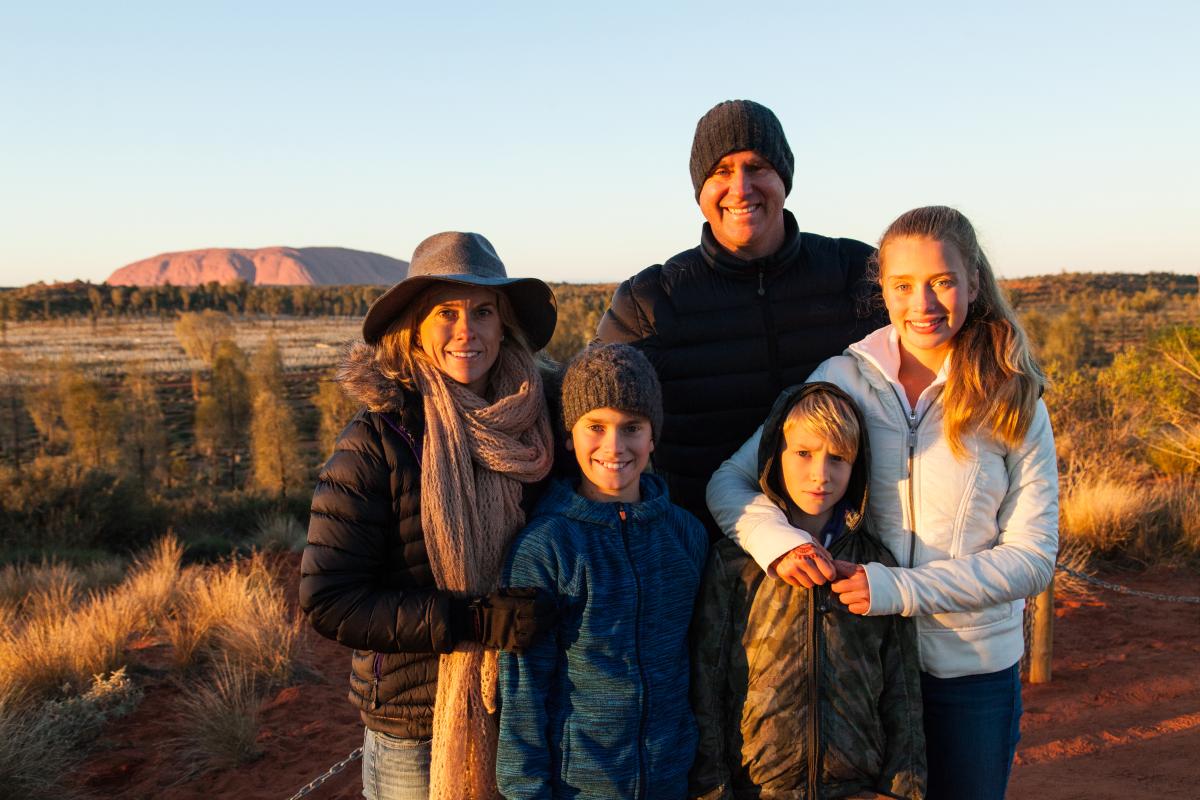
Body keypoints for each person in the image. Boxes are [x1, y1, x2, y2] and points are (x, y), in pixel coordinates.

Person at [707, 206, 1058, 800]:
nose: (923, 303)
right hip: (858, 670)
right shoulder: (843, 379)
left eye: (942, 282)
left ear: (973, 282)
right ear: (883, 291)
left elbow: (1033, 557)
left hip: (969, 670)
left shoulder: (1012, 396)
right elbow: (730, 482)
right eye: (903, 286)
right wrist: (783, 545)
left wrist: (900, 589)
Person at [300, 231, 563, 800]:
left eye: (483, 311)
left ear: (504, 324)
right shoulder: (377, 442)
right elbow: (329, 599)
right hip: (416, 722)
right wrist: (469, 620)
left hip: (531, 709)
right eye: (446, 312)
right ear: (415, 328)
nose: (467, 330)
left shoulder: (542, 429)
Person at [595, 98, 885, 539]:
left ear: (784, 178)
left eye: (757, 167)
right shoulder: (650, 300)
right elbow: (586, 416)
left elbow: (949, 351)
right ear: (700, 191)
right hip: (704, 564)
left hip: (846, 558)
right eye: (721, 172)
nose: (741, 188)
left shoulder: (855, 272)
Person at [692, 382, 925, 799]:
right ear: (773, 456)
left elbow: (902, 693)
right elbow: (707, 688)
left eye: (838, 458)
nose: (821, 474)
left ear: (858, 467)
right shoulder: (735, 564)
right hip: (758, 789)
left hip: (856, 788)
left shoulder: (877, 565)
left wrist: (901, 791)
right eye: (803, 454)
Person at [496, 343, 708, 800]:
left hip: (675, 777)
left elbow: (701, 662)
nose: (615, 446)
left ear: (653, 436)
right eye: (596, 426)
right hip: (581, 786)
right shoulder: (545, 549)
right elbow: (522, 689)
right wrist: (524, 791)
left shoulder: (686, 536)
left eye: (632, 427)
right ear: (570, 435)